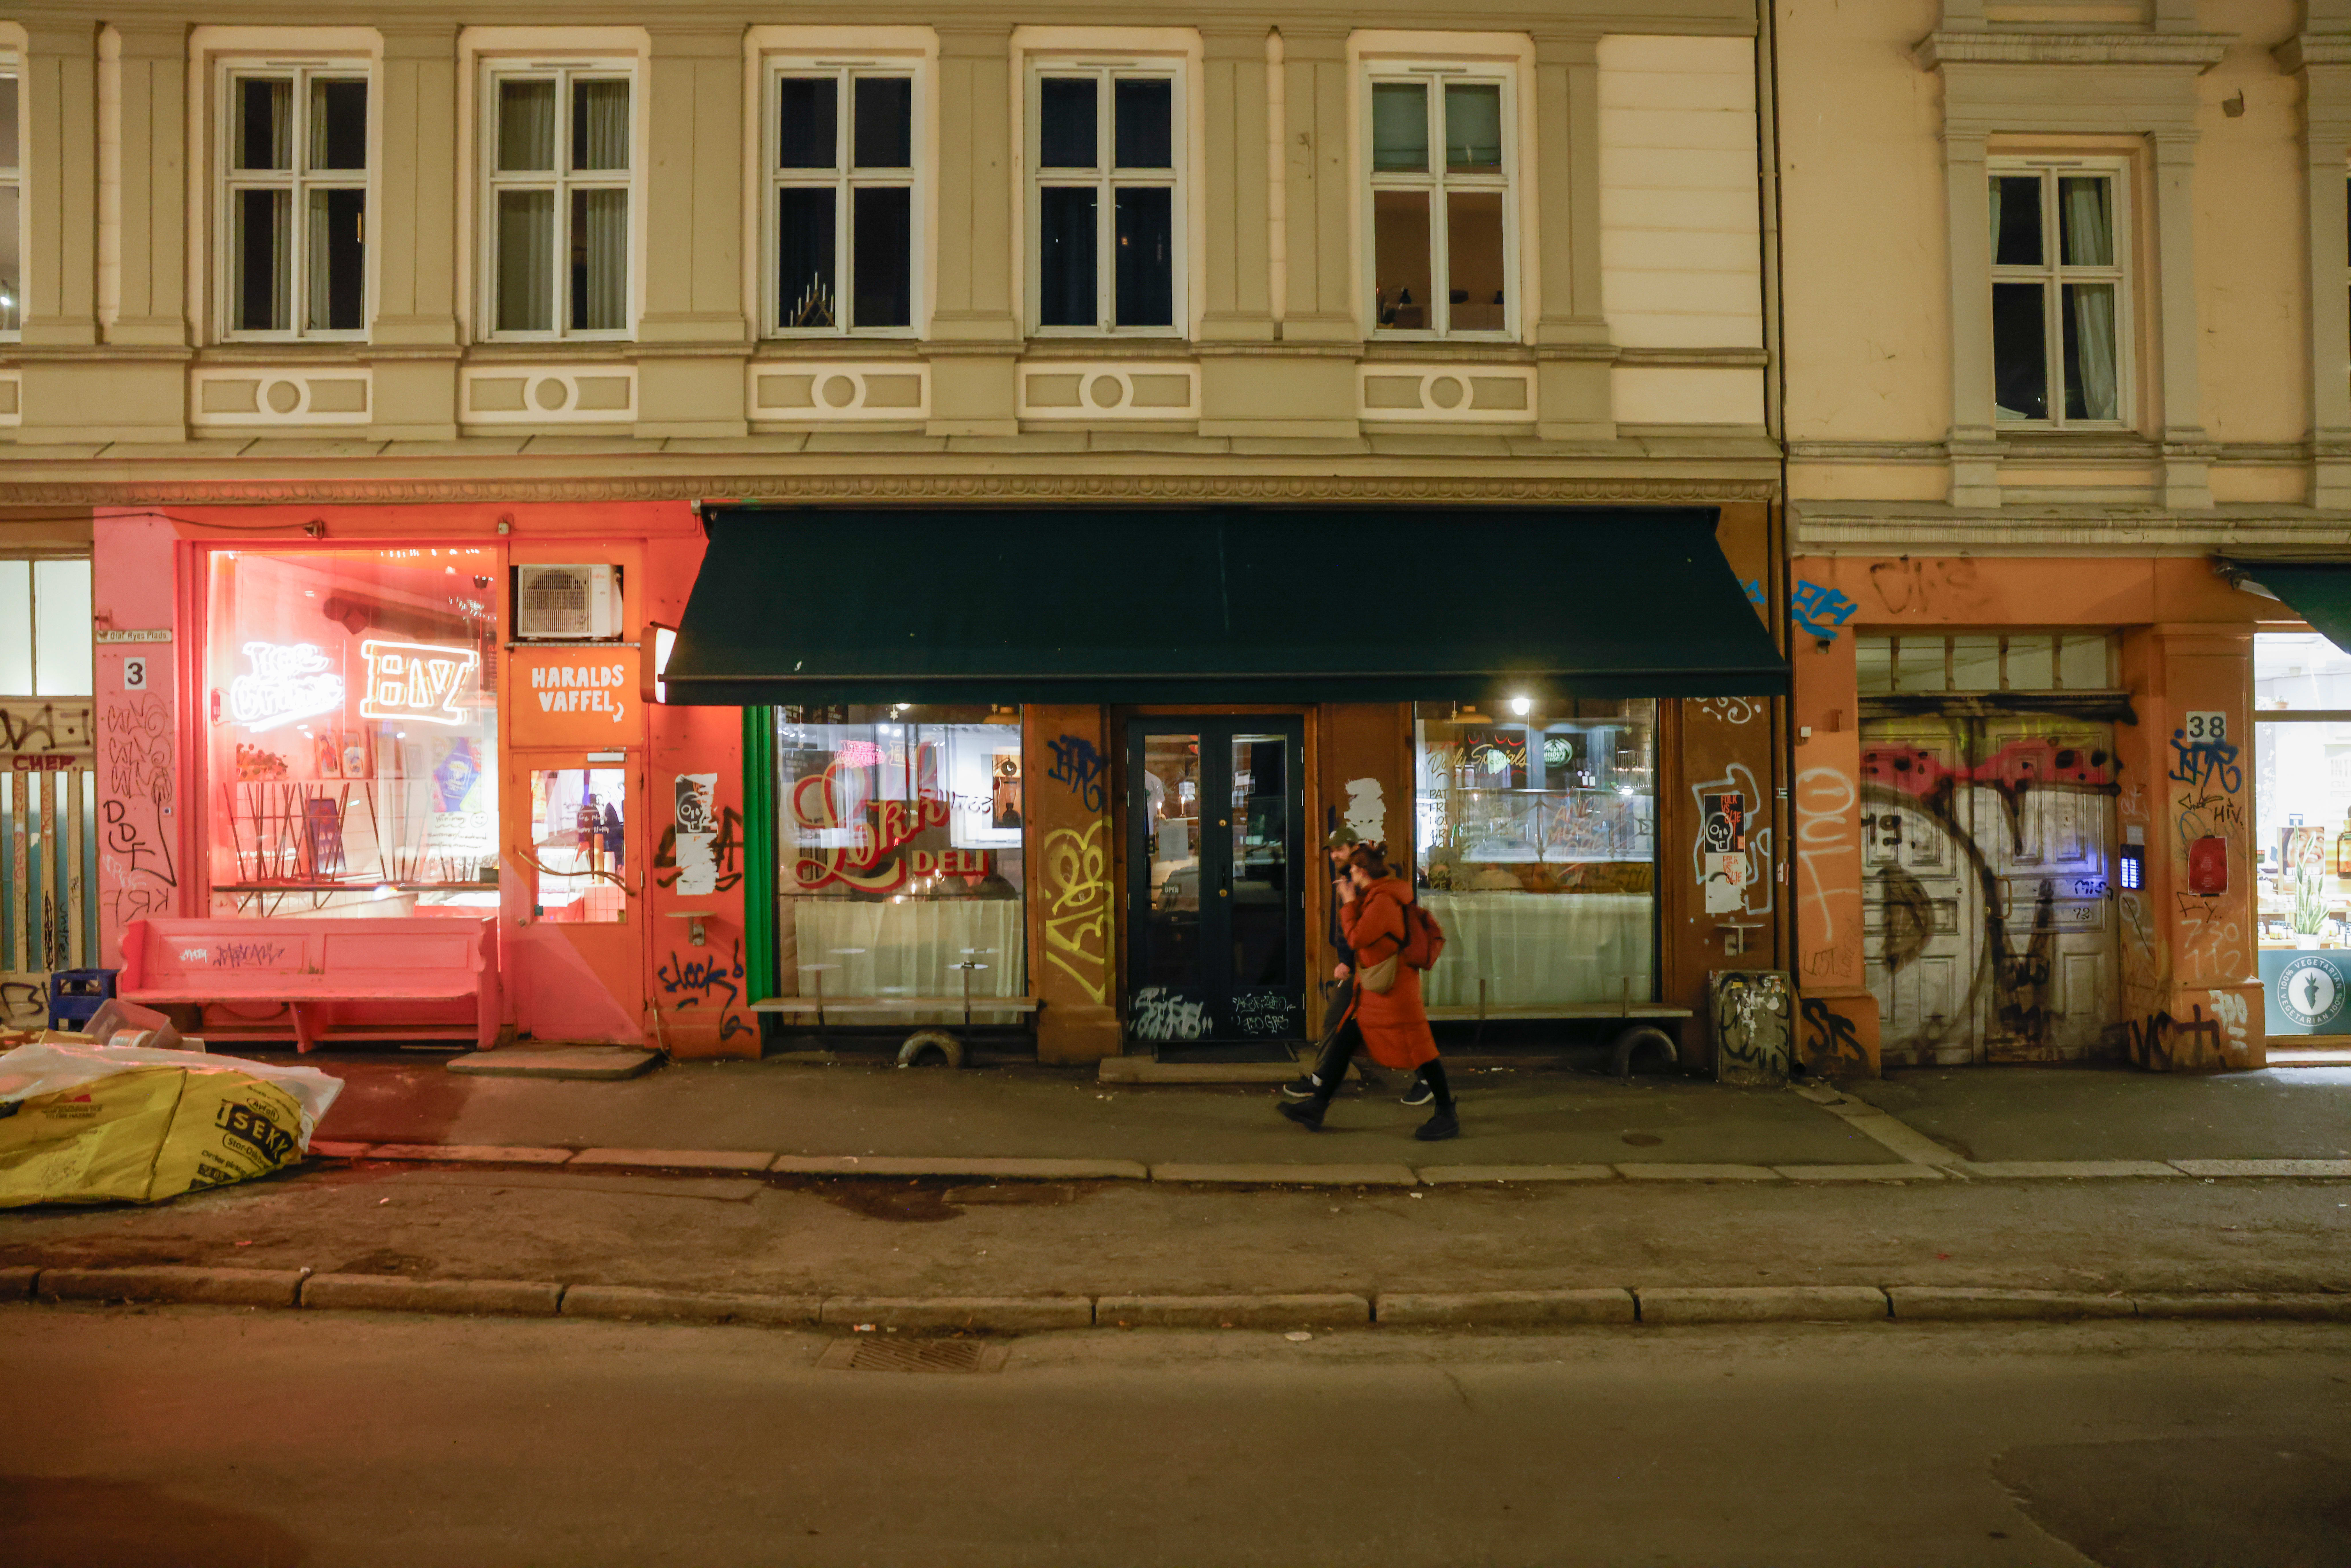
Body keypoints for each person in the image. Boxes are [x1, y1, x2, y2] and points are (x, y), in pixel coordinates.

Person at [1277, 839, 1458, 1141]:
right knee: (1346, 1040)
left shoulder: (1384, 900)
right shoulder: (1381, 894)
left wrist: (1348, 902)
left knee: (1422, 1050)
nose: (1350, 879)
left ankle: (1446, 1113)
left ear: (1361, 871)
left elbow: (1358, 937)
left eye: (1352, 873)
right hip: (1380, 990)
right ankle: (1318, 1105)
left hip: (1393, 991)